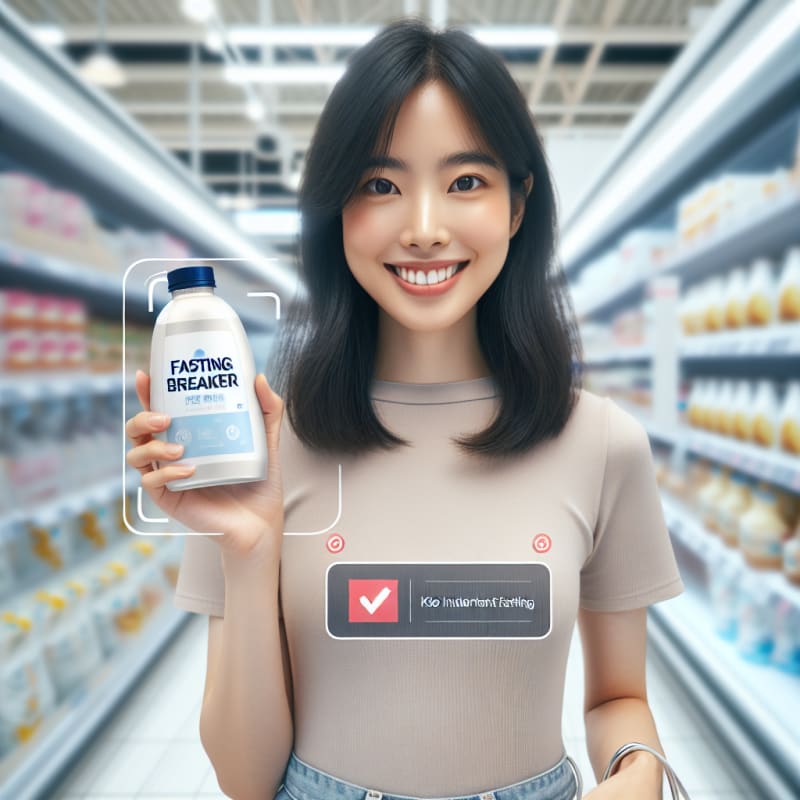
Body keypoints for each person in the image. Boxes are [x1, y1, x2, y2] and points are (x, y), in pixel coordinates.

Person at [125, 17, 685, 800]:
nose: (423, 230)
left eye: (465, 183)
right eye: (380, 185)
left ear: (518, 206)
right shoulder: (261, 446)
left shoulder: (600, 444)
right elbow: (245, 782)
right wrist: (249, 554)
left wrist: (639, 771)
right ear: (336, 211)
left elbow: (617, 698)